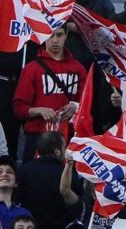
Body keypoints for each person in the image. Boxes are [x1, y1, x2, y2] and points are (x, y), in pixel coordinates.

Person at [13, 26, 87, 161]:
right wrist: (39, 110)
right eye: (50, 36)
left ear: (66, 36)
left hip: (69, 136)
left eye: (59, 35)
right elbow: (19, 108)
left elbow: (87, 102)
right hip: (38, 135)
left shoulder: (78, 68)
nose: (55, 41)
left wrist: (76, 106)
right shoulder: (32, 69)